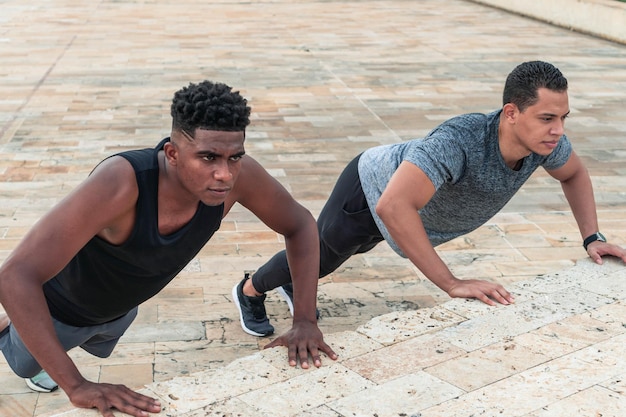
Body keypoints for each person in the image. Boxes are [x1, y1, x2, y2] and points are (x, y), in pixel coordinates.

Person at [236, 60, 626, 353]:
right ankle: (250, 289)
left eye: (562, 118)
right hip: (369, 191)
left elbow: (573, 174)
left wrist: (592, 237)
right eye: (547, 118)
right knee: (320, 257)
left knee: (333, 257)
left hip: (407, 212)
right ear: (511, 113)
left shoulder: (547, 143)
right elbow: (393, 206)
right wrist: (451, 283)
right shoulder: (460, 141)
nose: (558, 130)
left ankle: (289, 282)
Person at [0, 80, 336, 417]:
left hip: (120, 308)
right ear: (172, 154)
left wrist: (304, 319)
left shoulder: (239, 178)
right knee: (28, 364)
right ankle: (9, 326)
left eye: (235, 157)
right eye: (208, 157)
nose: (225, 174)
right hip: (60, 309)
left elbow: (301, 224)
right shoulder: (120, 182)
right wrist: (76, 385)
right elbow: (14, 276)